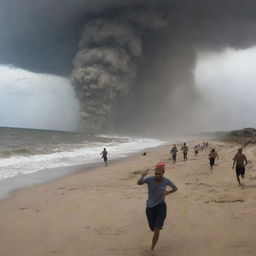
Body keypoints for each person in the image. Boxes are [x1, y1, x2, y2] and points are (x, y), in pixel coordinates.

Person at [137, 162, 177, 254]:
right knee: (152, 228)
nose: (157, 175)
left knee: (157, 229)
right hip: (150, 207)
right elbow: (138, 183)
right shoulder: (150, 179)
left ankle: (152, 248)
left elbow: (175, 188)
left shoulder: (166, 181)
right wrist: (142, 176)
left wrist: (167, 193)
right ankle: (154, 231)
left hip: (161, 207)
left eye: (159, 173)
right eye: (156, 173)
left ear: (163, 172)